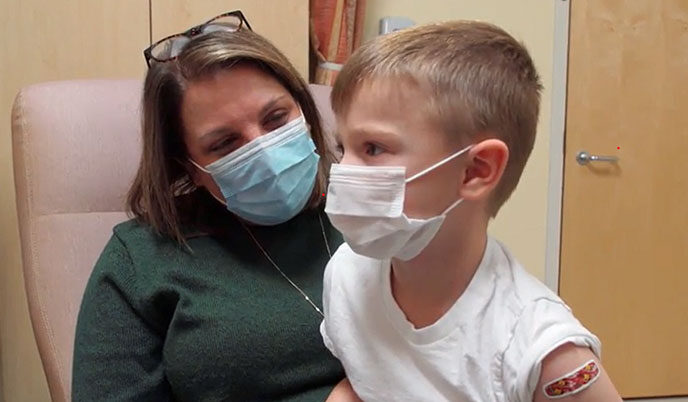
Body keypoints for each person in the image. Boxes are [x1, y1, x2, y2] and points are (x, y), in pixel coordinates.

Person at [320, 21, 623, 401]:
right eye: (341, 146)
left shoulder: (541, 351)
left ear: (476, 170)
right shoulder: (347, 274)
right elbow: (366, 378)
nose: (343, 171)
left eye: (373, 149)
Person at [72, 11, 351, 401]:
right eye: (224, 143)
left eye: (275, 118)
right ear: (190, 167)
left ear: (303, 109)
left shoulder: (367, 208)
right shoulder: (141, 261)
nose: (263, 150)